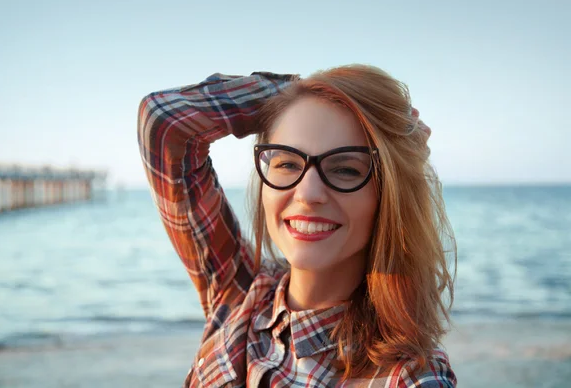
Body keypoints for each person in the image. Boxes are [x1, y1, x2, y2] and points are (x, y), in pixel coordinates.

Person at [137, 64, 457, 387]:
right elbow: (163, 123)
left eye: (345, 169)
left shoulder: (409, 377)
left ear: (389, 192)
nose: (307, 193)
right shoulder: (241, 291)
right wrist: (296, 94)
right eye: (288, 163)